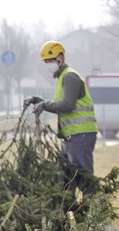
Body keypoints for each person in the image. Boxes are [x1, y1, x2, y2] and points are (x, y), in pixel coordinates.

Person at [23, 40, 98, 193]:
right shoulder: (63, 77)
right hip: (73, 136)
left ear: (60, 58)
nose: (48, 64)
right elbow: (60, 104)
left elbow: (67, 105)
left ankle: (93, 212)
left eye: (50, 60)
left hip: (81, 135)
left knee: (84, 180)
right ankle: (68, 211)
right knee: (65, 178)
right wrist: (38, 100)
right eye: (46, 62)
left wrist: (44, 105)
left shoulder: (69, 77)